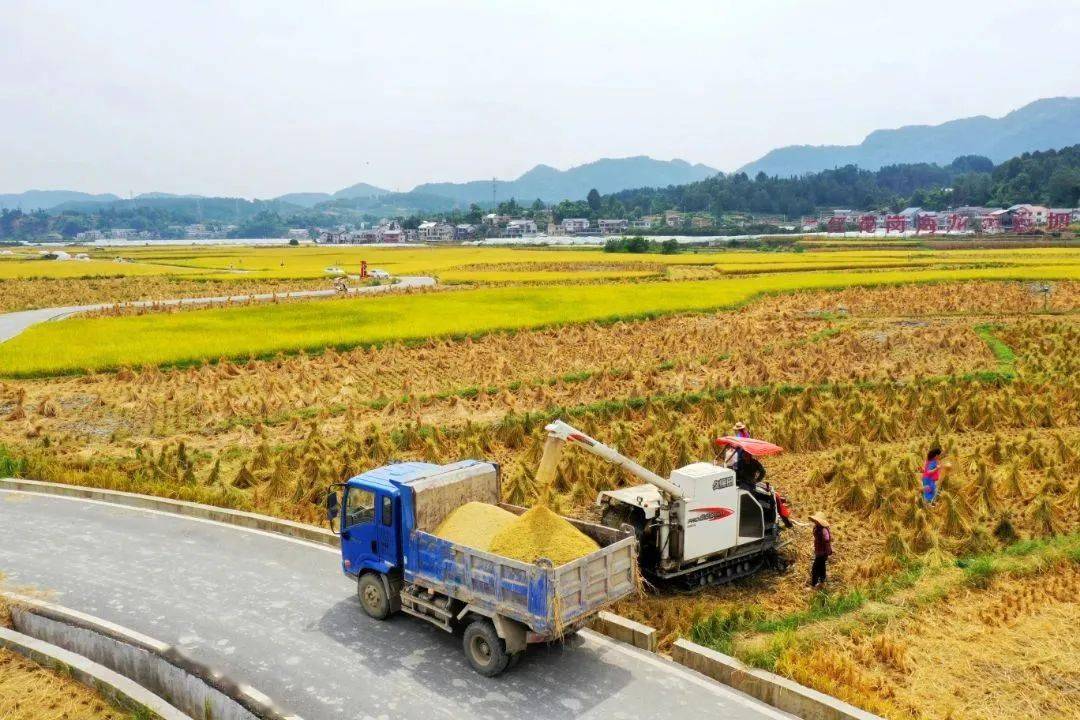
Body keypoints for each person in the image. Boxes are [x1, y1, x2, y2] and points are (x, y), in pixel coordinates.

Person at [809, 512, 832, 587]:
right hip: (819, 550)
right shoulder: (816, 527)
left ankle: (813, 584)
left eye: (817, 520)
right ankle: (822, 581)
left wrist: (827, 551)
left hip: (823, 552)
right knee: (822, 566)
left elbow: (827, 541)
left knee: (815, 568)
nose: (815, 521)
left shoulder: (824, 530)